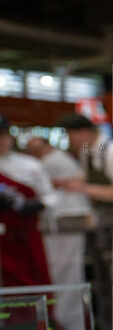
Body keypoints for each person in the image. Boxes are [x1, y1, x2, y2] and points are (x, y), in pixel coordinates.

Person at [0, 117, 53, 287]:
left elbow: (50, 196)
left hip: (26, 236)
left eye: (3, 136)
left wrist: (39, 205)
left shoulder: (30, 165)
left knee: (33, 281)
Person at [53, 113, 113, 207]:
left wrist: (82, 188)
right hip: (102, 211)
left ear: (84, 132)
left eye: (69, 135)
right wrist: (67, 183)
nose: (69, 141)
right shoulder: (85, 151)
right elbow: (84, 177)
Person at [25, 137, 89, 215]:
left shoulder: (48, 161)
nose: (34, 152)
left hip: (66, 204)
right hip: (71, 202)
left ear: (47, 146)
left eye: (37, 148)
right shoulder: (60, 154)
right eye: (31, 149)